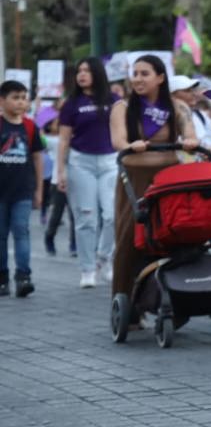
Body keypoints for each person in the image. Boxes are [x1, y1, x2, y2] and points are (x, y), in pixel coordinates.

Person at [108, 54, 198, 303]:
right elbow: (118, 142)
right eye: (135, 73)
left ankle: (174, 295)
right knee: (129, 238)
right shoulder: (122, 107)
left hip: (168, 179)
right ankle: (125, 300)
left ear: (160, 77)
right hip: (134, 178)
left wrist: (190, 142)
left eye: (144, 73)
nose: (138, 79)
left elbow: (190, 134)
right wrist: (131, 145)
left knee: (172, 234)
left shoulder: (177, 107)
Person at [56, 57, 118, 288]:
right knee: (86, 219)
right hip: (80, 163)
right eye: (79, 70)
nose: (81, 75)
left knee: (112, 216)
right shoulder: (72, 103)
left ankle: (105, 258)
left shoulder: (114, 100)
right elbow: (63, 139)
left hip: (110, 161)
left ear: (98, 74)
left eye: (87, 70)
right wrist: (60, 172)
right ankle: (88, 269)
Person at [0, 80, 44, 298]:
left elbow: (37, 158)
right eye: (15, 97)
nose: (21, 102)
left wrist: (39, 190)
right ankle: (2, 278)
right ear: (2, 100)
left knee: (21, 231)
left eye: (24, 98)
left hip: (23, 191)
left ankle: (24, 276)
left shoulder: (30, 126)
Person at [36, 105, 74, 258]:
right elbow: (40, 140)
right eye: (57, 123)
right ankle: (49, 237)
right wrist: (38, 127)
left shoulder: (77, 140)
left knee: (76, 216)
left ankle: (74, 244)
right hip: (57, 182)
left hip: (77, 182)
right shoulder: (53, 141)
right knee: (56, 215)